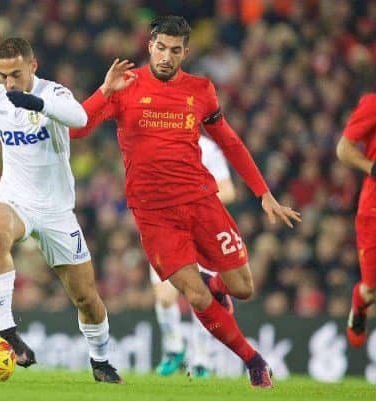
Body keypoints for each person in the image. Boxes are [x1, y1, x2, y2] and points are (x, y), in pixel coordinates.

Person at [70, 16, 301, 388]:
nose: (166, 56)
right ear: (149, 46)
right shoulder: (125, 86)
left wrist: (264, 193)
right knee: (193, 294)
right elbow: (76, 130)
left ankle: (214, 291)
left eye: (175, 50)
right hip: (154, 215)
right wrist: (104, 91)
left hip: (201, 202)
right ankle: (254, 361)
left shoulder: (201, 90)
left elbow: (229, 142)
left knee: (243, 288)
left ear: (185, 52)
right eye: (160, 47)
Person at [0, 37, 121, 383]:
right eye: (2, 75)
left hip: (57, 211)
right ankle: (8, 329)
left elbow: (79, 118)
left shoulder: (55, 94)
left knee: (86, 298)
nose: (9, 83)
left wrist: (36, 103)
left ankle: (101, 362)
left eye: (15, 74)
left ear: (33, 66)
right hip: (15, 199)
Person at [152, 135, 235, 378]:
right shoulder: (157, 144)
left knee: (200, 295)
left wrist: (194, 204)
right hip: (163, 229)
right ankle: (174, 348)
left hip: (199, 233)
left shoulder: (207, 149)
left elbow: (228, 191)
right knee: (164, 296)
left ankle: (201, 359)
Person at [336, 77, 376, 348]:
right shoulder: (375, 105)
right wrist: (375, 168)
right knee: (374, 290)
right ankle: (359, 305)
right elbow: (343, 149)